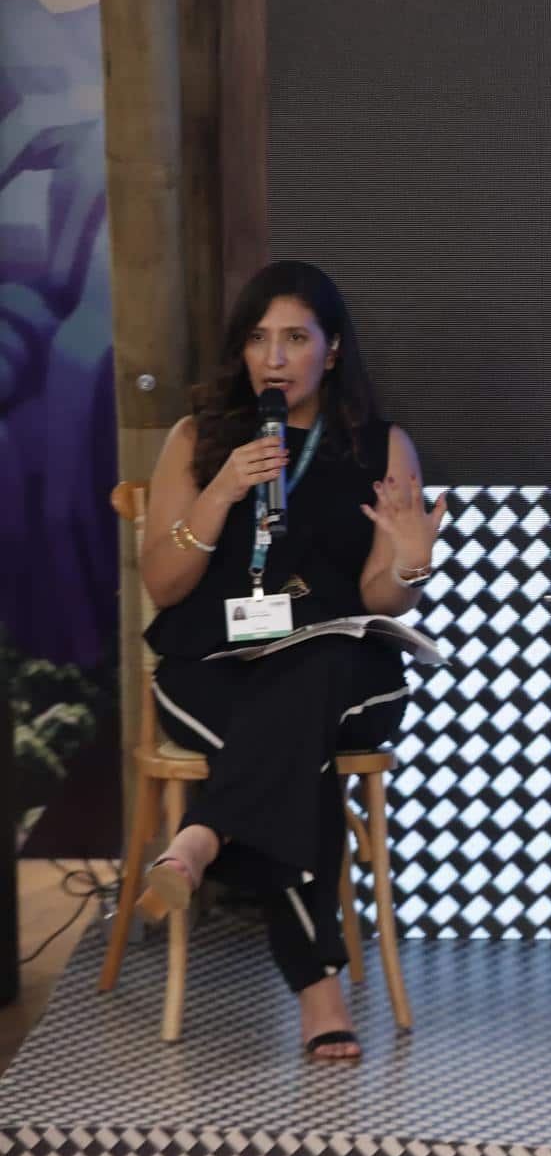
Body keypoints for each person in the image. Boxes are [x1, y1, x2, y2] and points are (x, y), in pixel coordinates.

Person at [139, 260, 447, 1061]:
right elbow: (166, 586)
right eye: (259, 339)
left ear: (332, 349)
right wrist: (221, 493)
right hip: (213, 664)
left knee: (310, 674)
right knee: (289, 747)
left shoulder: (380, 445)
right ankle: (318, 991)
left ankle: (203, 836)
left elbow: (381, 598)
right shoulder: (197, 437)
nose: (275, 359)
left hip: (342, 668)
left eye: (296, 339)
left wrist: (411, 561)